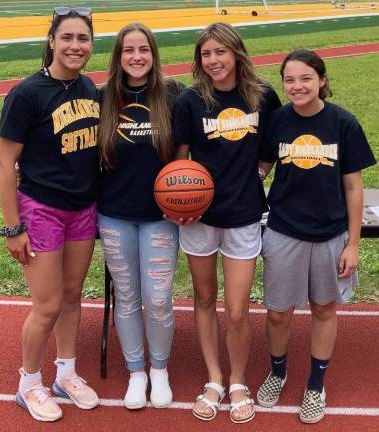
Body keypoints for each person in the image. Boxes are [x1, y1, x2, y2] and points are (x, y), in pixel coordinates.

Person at [257, 49, 376, 424]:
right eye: (289, 79)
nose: (297, 86)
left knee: (324, 308)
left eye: (305, 78)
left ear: (321, 80)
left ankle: (316, 383)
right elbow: (260, 168)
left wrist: (353, 243)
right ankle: (278, 373)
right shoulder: (276, 121)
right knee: (278, 312)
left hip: (330, 234)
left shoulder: (343, 123)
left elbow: (355, 188)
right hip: (283, 230)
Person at [0, 7, 100, 422]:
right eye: (68, 38)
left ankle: (66, 374)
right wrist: (12, 225)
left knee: (73, 295)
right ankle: (29, 383)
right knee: (48, 304)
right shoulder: (27, 94)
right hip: (42, 210)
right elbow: (5, 163)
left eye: (83, 39)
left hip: (83, 209)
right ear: (53, 41)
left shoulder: (91, 88)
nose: (76, 46)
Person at [173, 22, 281, 423]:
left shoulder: (262, 96)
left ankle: (237, 381)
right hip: (199, 218)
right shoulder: (189, 101)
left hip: (243, 216)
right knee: (204, 299)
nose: (214, 60)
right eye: (206, 54)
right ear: (199, 60)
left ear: (236, 52)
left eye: (221, 52)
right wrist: (185, 197)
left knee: (236, 309)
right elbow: (180, 158)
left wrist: (256, 176)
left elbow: (271, 148)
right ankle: (214, 378)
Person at [97, 23, 184, 410]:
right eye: (128, 50)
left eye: (143, 49)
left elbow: (194, 148)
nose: (136, 57)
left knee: (160, 298)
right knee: (128, 298)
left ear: (154, 53)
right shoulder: (102, 99)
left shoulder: (174, 95)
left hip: (161, 215)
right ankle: (136, 372)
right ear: (118, 56)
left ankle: (160, 370)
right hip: (114, 215)